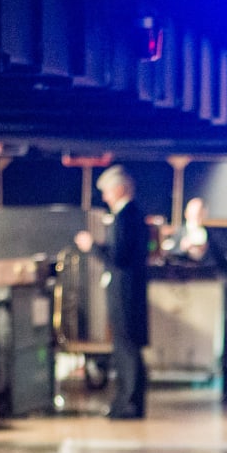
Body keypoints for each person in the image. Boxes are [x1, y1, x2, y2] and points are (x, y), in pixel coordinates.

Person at [75, 165, 150, 420]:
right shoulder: (135, 215)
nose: (105, 197)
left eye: (107, 191)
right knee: (130, 349)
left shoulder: (124, 216)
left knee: (125, 348)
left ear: (119, 189)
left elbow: (118, 257)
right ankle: (131, 402)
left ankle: (127, 403)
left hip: (124, 293)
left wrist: (92, 247)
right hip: (132, 290)